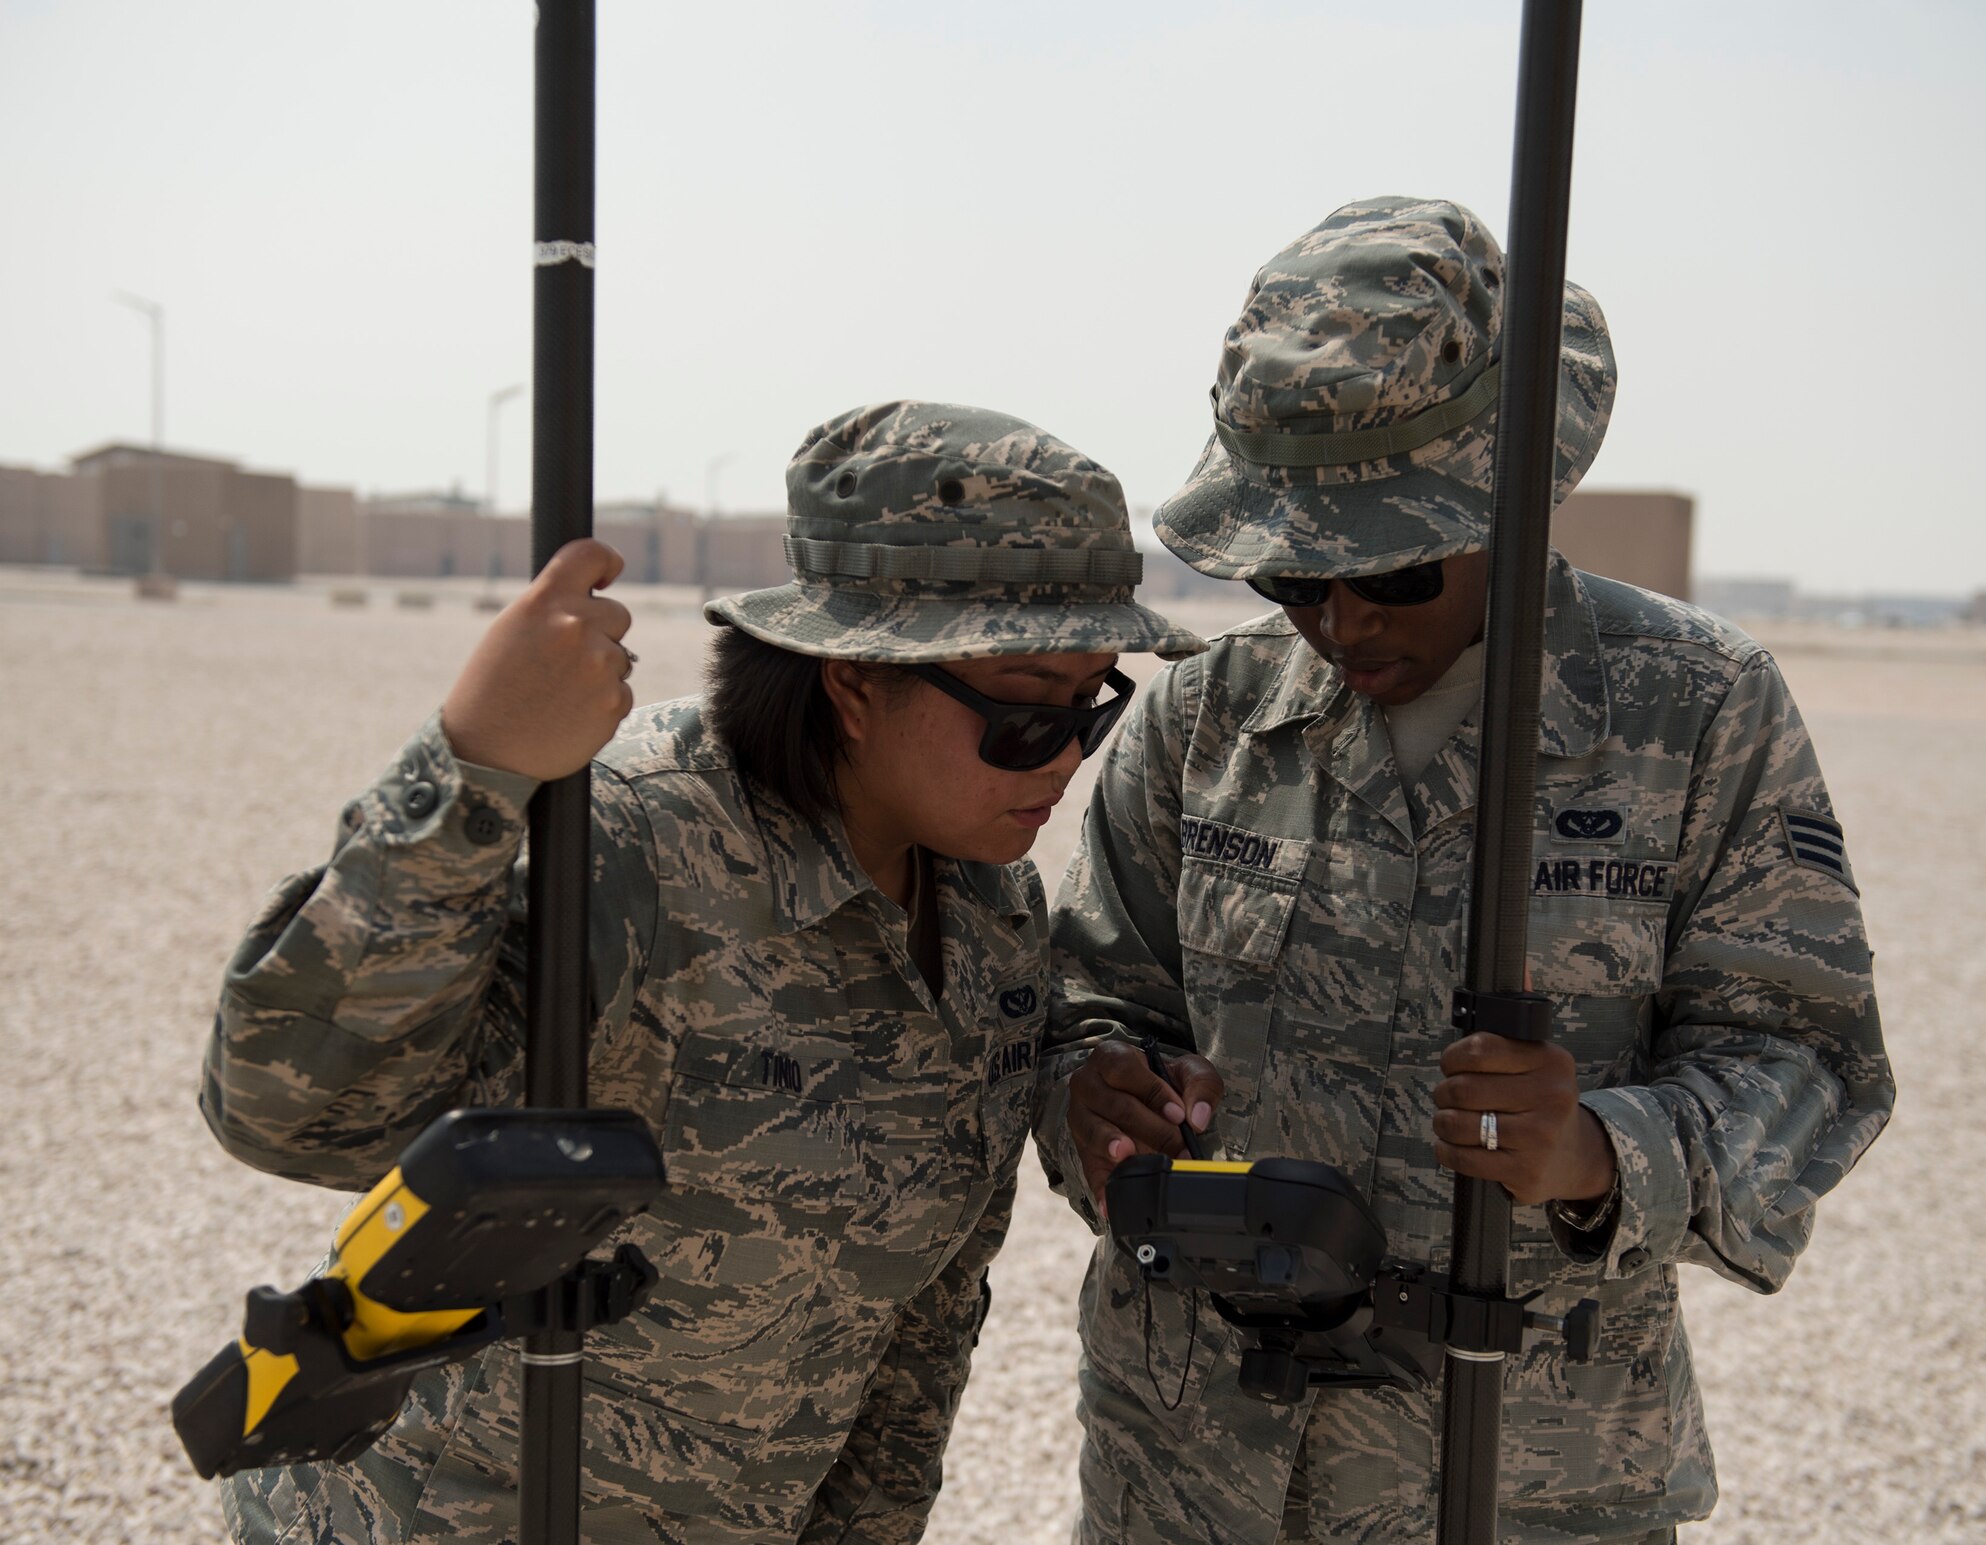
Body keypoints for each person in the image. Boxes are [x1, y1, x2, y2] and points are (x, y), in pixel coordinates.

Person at [1032, 199, 1893, 1544]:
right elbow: (1084, 1001)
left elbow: (1807, 1062)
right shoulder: (1199, 720)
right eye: (1296, 582)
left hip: (1524, 1480)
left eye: (1393, 572)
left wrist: (1602, 1151)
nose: (1342, 621)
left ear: (1503, 500)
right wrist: (1099, 1098)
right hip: (1195, 1474)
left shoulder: (1693, 710)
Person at [200, 399, 1205, 1545]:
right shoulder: (630, 843)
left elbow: (913, 1320)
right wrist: (472, 769)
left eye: (1091, 705)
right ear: (854, 683)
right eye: (1025, 714)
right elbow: (294, 1112)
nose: (1068, 757)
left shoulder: (982, 908)